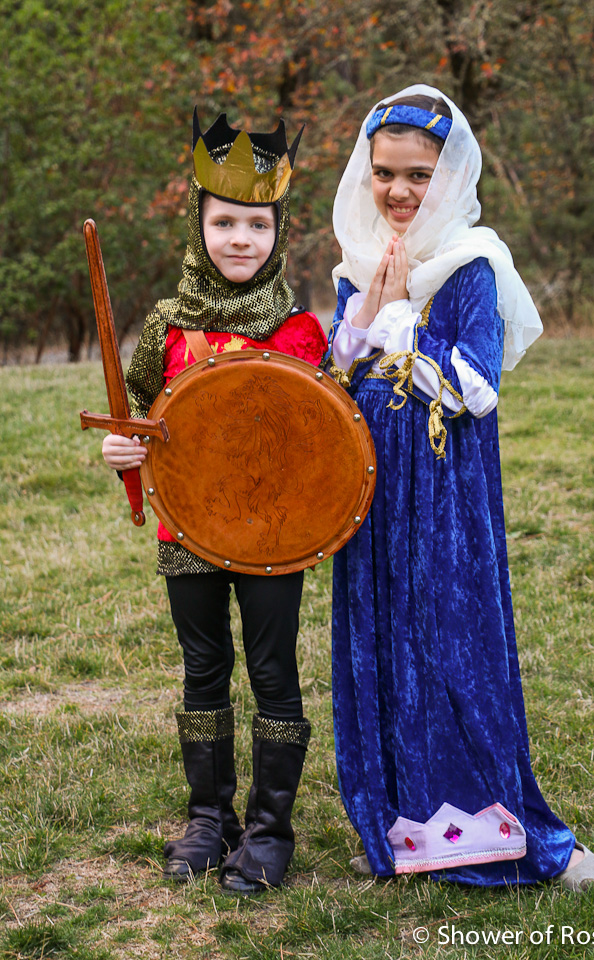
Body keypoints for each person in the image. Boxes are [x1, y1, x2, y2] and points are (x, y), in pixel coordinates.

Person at [325, 84, 594, 890]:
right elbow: (340, 383)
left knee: (450, 640)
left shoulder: (471, 262)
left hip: (445, 491)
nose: (401, 190)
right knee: (384, 638)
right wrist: (359, 327)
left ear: (449, 174)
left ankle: (496, 825)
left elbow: (477, 384)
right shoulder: (358, 260)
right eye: (386, 173)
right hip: (374, 487)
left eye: (419, 173)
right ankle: (403, 825)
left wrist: (404, 324)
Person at [102, 109, 327, 895]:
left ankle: (269, 832)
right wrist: (121, 453)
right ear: (198, 225)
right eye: (224, 221)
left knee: (272, 672)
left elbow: (319, 443)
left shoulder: (298, 333)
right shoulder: (166, 327)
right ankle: (210, 820)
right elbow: (136, 420)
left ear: (278, 231)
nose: (240, 238)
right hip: (187, 522)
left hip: (272, 532)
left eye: (256, 224)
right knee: (203, 668)